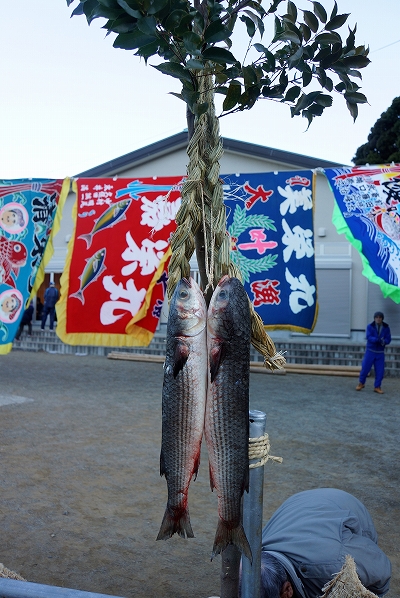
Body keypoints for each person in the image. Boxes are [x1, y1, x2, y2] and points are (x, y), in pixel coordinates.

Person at [260, 488, 391, 598]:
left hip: (345, 506)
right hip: (301, 504)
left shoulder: (337, 566)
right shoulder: (249, 555)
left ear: (287, 591)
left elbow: (381, 573)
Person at [356, 311, 391, 394]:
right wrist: (376, 340)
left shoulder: (386, 327)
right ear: (374, 318)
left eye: (380, 317)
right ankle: (361, 383)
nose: (378, 319)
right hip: (370, 351)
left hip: (380, 352)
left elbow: (388, 339)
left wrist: (384, 341)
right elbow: (368, 336)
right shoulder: (370, 326)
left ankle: (377, 386)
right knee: (365, 368)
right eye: (377, 317)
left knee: (380, 371)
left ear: (382, 318)